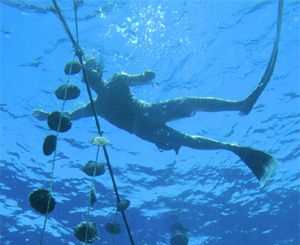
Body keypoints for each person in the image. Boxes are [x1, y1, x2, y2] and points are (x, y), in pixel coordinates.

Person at [34, 0, 283, 186]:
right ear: (90, 78)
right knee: (187, 124)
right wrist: (48, 114)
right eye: (89, 73)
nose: (92, 75)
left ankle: (237, 122)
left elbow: (139, 79)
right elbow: (70, 117)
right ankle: (235, 136)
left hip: (144, 122)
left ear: (96, 74)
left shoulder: (103, 97)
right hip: (145, 121)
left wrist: (146, 76)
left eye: (92, 71)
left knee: (188, 120)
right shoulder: (99, 100)